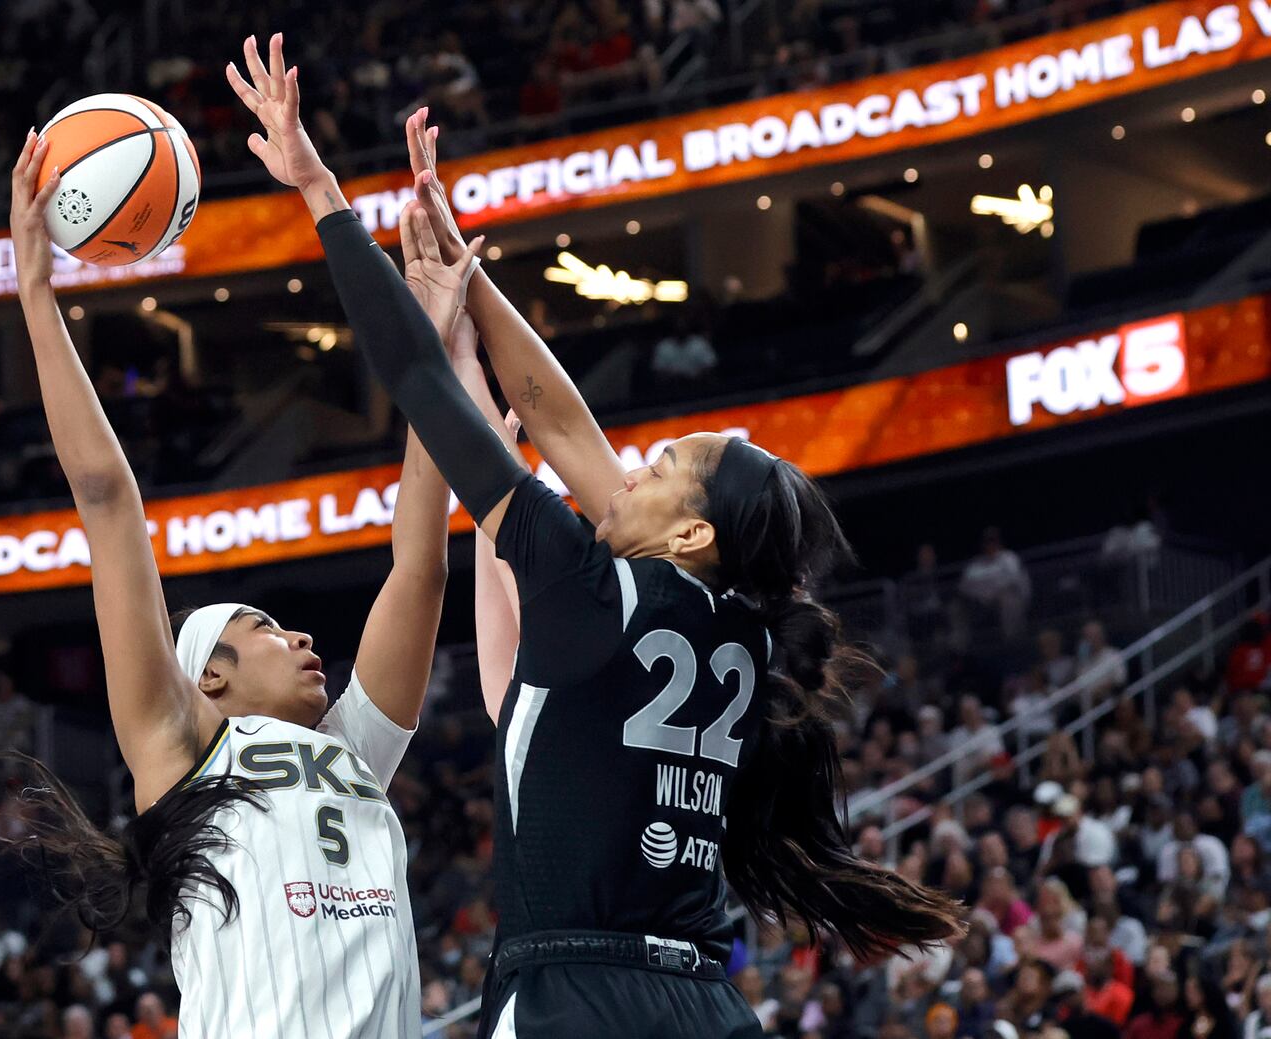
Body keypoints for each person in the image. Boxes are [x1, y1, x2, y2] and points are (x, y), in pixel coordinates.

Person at [229, 43, 965, 1038]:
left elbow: (415, 378)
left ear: (693, 530)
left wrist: (319, 190)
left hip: (575, 994)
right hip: (707, 1004)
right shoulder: (744, 630)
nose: (628, 468)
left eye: (657, 468)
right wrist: (472, 283)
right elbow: (568, 430)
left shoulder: (593, 590)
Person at [0, 109, 473, 1039]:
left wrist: (428, 351)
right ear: (207, 676)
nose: (298, 635)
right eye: (263, 627)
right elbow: (108, 500)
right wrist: (37, 291)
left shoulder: (355, 750)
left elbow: (419, 565)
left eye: (282, 626)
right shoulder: (184, 755)